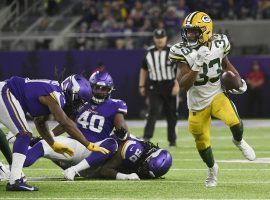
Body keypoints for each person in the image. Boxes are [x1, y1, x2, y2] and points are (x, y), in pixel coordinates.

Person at [169, 11, 256, 187]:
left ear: (206, 31)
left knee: (235, 122)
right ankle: (212, 169)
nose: (189, 35)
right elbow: (183, 84)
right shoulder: (181, 51)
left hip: (216, 94)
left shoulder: (219, 42)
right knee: (201, 142)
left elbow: (226, 64)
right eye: (188, 31)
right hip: (196, 104)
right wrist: (197, 64)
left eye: (194, 31)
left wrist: (238, 81)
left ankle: (238, 141)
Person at [0, 74, 108, 191]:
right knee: (24, 134)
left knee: (24, 133)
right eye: (77, 101)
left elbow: (40, 123)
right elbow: (65, 122)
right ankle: (15, 180)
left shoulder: (52, 93)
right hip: (6, 92)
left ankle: (7, 173)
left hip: (6, 92)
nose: (77, 106)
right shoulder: (56, 94)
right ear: (71, 91)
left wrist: (52, 144)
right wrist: (88, 144)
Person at [24, 71, 129, 181]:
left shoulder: (115, 105)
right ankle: (12, 168)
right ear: (90, 87)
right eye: (97, 87)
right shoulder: (81, 101)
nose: (99, 91)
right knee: (44, 144)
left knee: (112, 143)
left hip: (93, 152)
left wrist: (123, 134)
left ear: (110, 90)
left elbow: (123, 131)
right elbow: (66, 124)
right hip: (74, 146)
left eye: (104, 89)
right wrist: (47, 135)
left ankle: (74, 170)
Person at [139, 28, 179, 147]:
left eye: (162, 38)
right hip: (154, 86)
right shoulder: (149, 52)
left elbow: (180, 69)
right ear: (154, 39)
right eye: (157, 38)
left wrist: (177, 85)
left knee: (171, 113)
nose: (160, 40)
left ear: (166, 38)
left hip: (170, 85)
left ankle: (172, 140)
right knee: (153, 111)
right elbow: (143, 69)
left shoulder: (173, 51)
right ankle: (147, 137)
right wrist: (141, 85)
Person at [99, 138, 173, 180]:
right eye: (146, 166)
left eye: (147, 172)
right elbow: (104, 170)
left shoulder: (145, 162)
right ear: (150, 155)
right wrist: (124, 176)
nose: (144, 171)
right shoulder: (134, 150)